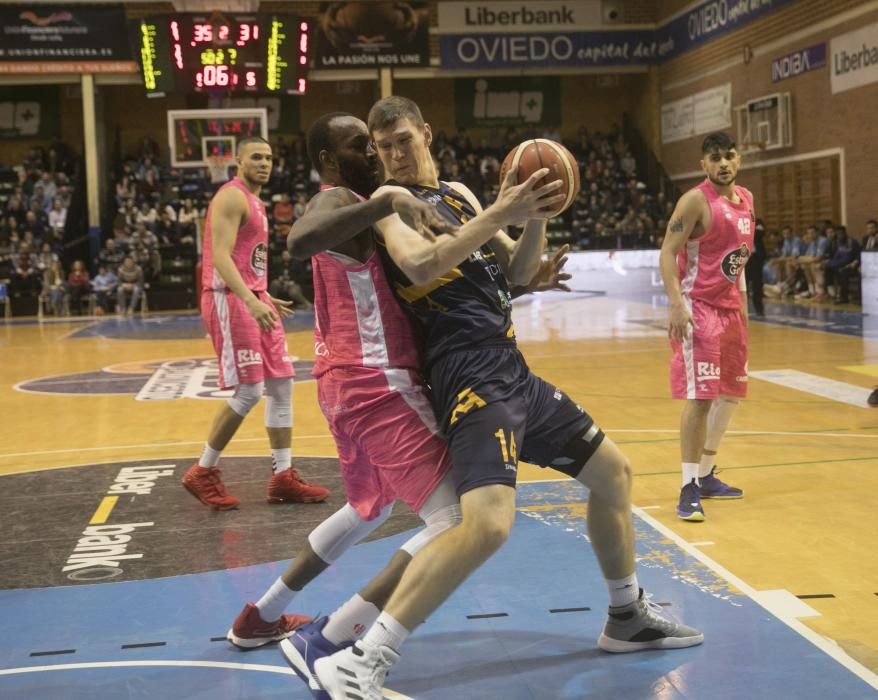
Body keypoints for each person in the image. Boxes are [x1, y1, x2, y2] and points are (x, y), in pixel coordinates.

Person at [307, 97, 703, 700]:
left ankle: (626, 616)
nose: (393, 155)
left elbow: (515, 272)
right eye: (382, 147)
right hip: (466, 376)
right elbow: (420, 267)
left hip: (511, 367)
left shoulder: (462, 195)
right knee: (487, 525)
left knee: (615, 475)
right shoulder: (387, 212)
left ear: (427, 133)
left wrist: (534, 213)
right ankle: (362, 657)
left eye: (403, 141)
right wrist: (501, 210)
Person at [227, 111, 466, 653]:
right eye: (360, 146)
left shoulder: (361, 206)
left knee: (369, 508)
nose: (374, 154)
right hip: (376, 384)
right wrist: (385, 201)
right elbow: (299, 240)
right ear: (328, 162)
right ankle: (336, 639)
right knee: (456, 520)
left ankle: (258, 617)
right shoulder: (338, 200)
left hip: (342, 386)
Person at [180, 136, 330, 510]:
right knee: (249, 392)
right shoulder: (231, 196)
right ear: (237, 160)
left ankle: (283, 476)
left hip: (252, 297)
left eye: (269, 157)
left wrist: (261, 293)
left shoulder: (257, 202)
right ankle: (203, 470)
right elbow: (220, 258)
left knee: (281, 385)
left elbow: (248, 260)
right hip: (230, 301)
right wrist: (249, 297)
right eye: (256, 157)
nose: (264, 163)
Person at [659, 132, 750, 522]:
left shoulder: (746, 199)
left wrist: (743, 310)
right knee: (700, 399)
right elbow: (667, 252)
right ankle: (687, 486)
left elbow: (739, 260)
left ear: (738, 159)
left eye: (729, 156)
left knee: (730, 394)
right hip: (700, 310)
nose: (723, 163)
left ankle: (708, 473)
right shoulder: (695, 200)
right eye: (715, 158)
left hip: (731, 312)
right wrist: (677, 305)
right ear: (704, 165)